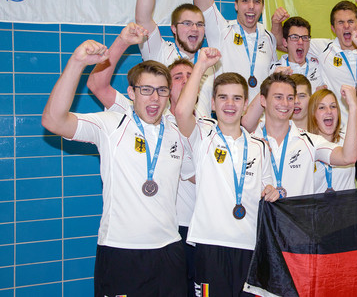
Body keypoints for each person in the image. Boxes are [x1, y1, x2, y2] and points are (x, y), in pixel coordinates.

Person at [43, 39, 187, 296]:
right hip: (122, 251)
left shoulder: (176, 130)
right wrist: (76, 63)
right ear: (131, 93)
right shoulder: (111, 125)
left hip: (170, 250)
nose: (154, 98)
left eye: (162, 91)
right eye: (146, 90)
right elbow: (54, 120)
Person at [86, 23, 198, 297]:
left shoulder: (188, 127)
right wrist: (122, 42)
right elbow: (97, 84)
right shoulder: (128, 111)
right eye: (177, 77)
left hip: (173, 242)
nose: (183, 81)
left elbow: (200, 176)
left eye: (189, 76)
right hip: (125, 247)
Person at [172, 47, 279, 296]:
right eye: (222, 97)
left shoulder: (259, 145)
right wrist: (200, 66)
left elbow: (267, 186)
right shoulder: (203, 134)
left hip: (250, 246)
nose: (229, 104)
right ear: (212, 103)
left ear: (245, 105)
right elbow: (180, 112)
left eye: (237, 98)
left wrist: (272, 190)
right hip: (210, 246)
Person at [254, 72, 357, 197]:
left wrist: (353, 107)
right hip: (261, 216)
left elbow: (348, 157)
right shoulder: (251, 142)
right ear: (263, 100)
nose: (285, 103)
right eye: (278, 97)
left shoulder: (310, 141)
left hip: (300, 216)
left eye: (290, 98)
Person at [308, 31, 357, 192]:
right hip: (317, 215)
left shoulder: (348, 138)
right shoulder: (306, 142)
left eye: (333, 106)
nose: (329, 111)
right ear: (312, 114)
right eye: (321, 107)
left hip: (347, 215)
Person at [269, 16, 324, 91]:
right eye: (294, 37)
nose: (300, 42)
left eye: (305, 37)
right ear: (285, 42)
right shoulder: (274, 70)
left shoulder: (320, 67)